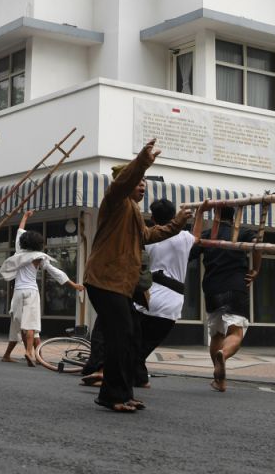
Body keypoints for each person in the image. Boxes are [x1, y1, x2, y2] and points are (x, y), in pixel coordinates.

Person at [83, 141, 192, 413]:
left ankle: (123, 392)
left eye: (145, 182)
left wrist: (177, 223)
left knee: (130, 337)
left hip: (120, 284)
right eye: (138, 181)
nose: (143, 185)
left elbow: (148, 235)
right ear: (125, 181)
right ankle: (112, 395)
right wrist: (142, 162)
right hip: (105, 280)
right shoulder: (116, 201)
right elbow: (124, 182)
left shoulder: (133, 211)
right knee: (120, 335)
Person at [191, 205, 261, 392]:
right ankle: (225, 353)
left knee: (216, 334)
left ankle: (219, 380)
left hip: (212, 288)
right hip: (236, 286)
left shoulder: (207, 234)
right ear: (235, 216)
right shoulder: (242, 232)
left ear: (215, 214)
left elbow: (191, 250)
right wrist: (256, 269)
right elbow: (258, 244)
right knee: (235, 332)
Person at [0, 210, 83, 365]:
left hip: (17, 292)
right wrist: (73, 285)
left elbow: (19, 232)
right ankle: (29, 352)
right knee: (31, 325)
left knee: (18, 324)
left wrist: (25, 217)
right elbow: (56, 273)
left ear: (23, 242)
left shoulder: (19, 253)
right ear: (38, 244)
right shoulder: (39, 257)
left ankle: (20, 354)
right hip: (31, 292)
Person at [133, 198, 195, 388]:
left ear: (153, 218)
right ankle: (138, 378)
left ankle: (138, 378)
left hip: (147, 297)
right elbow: (198, 235)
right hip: (171, 301)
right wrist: (200, 213)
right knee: (145, 345)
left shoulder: (149, 239)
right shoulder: (185, 238)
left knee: (136, 342)